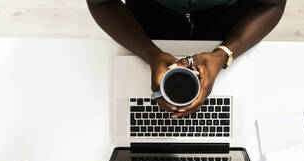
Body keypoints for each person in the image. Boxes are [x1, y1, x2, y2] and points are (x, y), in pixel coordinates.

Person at [87, 0, 286, 118]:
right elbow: (101, 2)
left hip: (230, 21)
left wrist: (224, 53)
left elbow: (271, 4)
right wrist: (150, 54)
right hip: (148, 17)